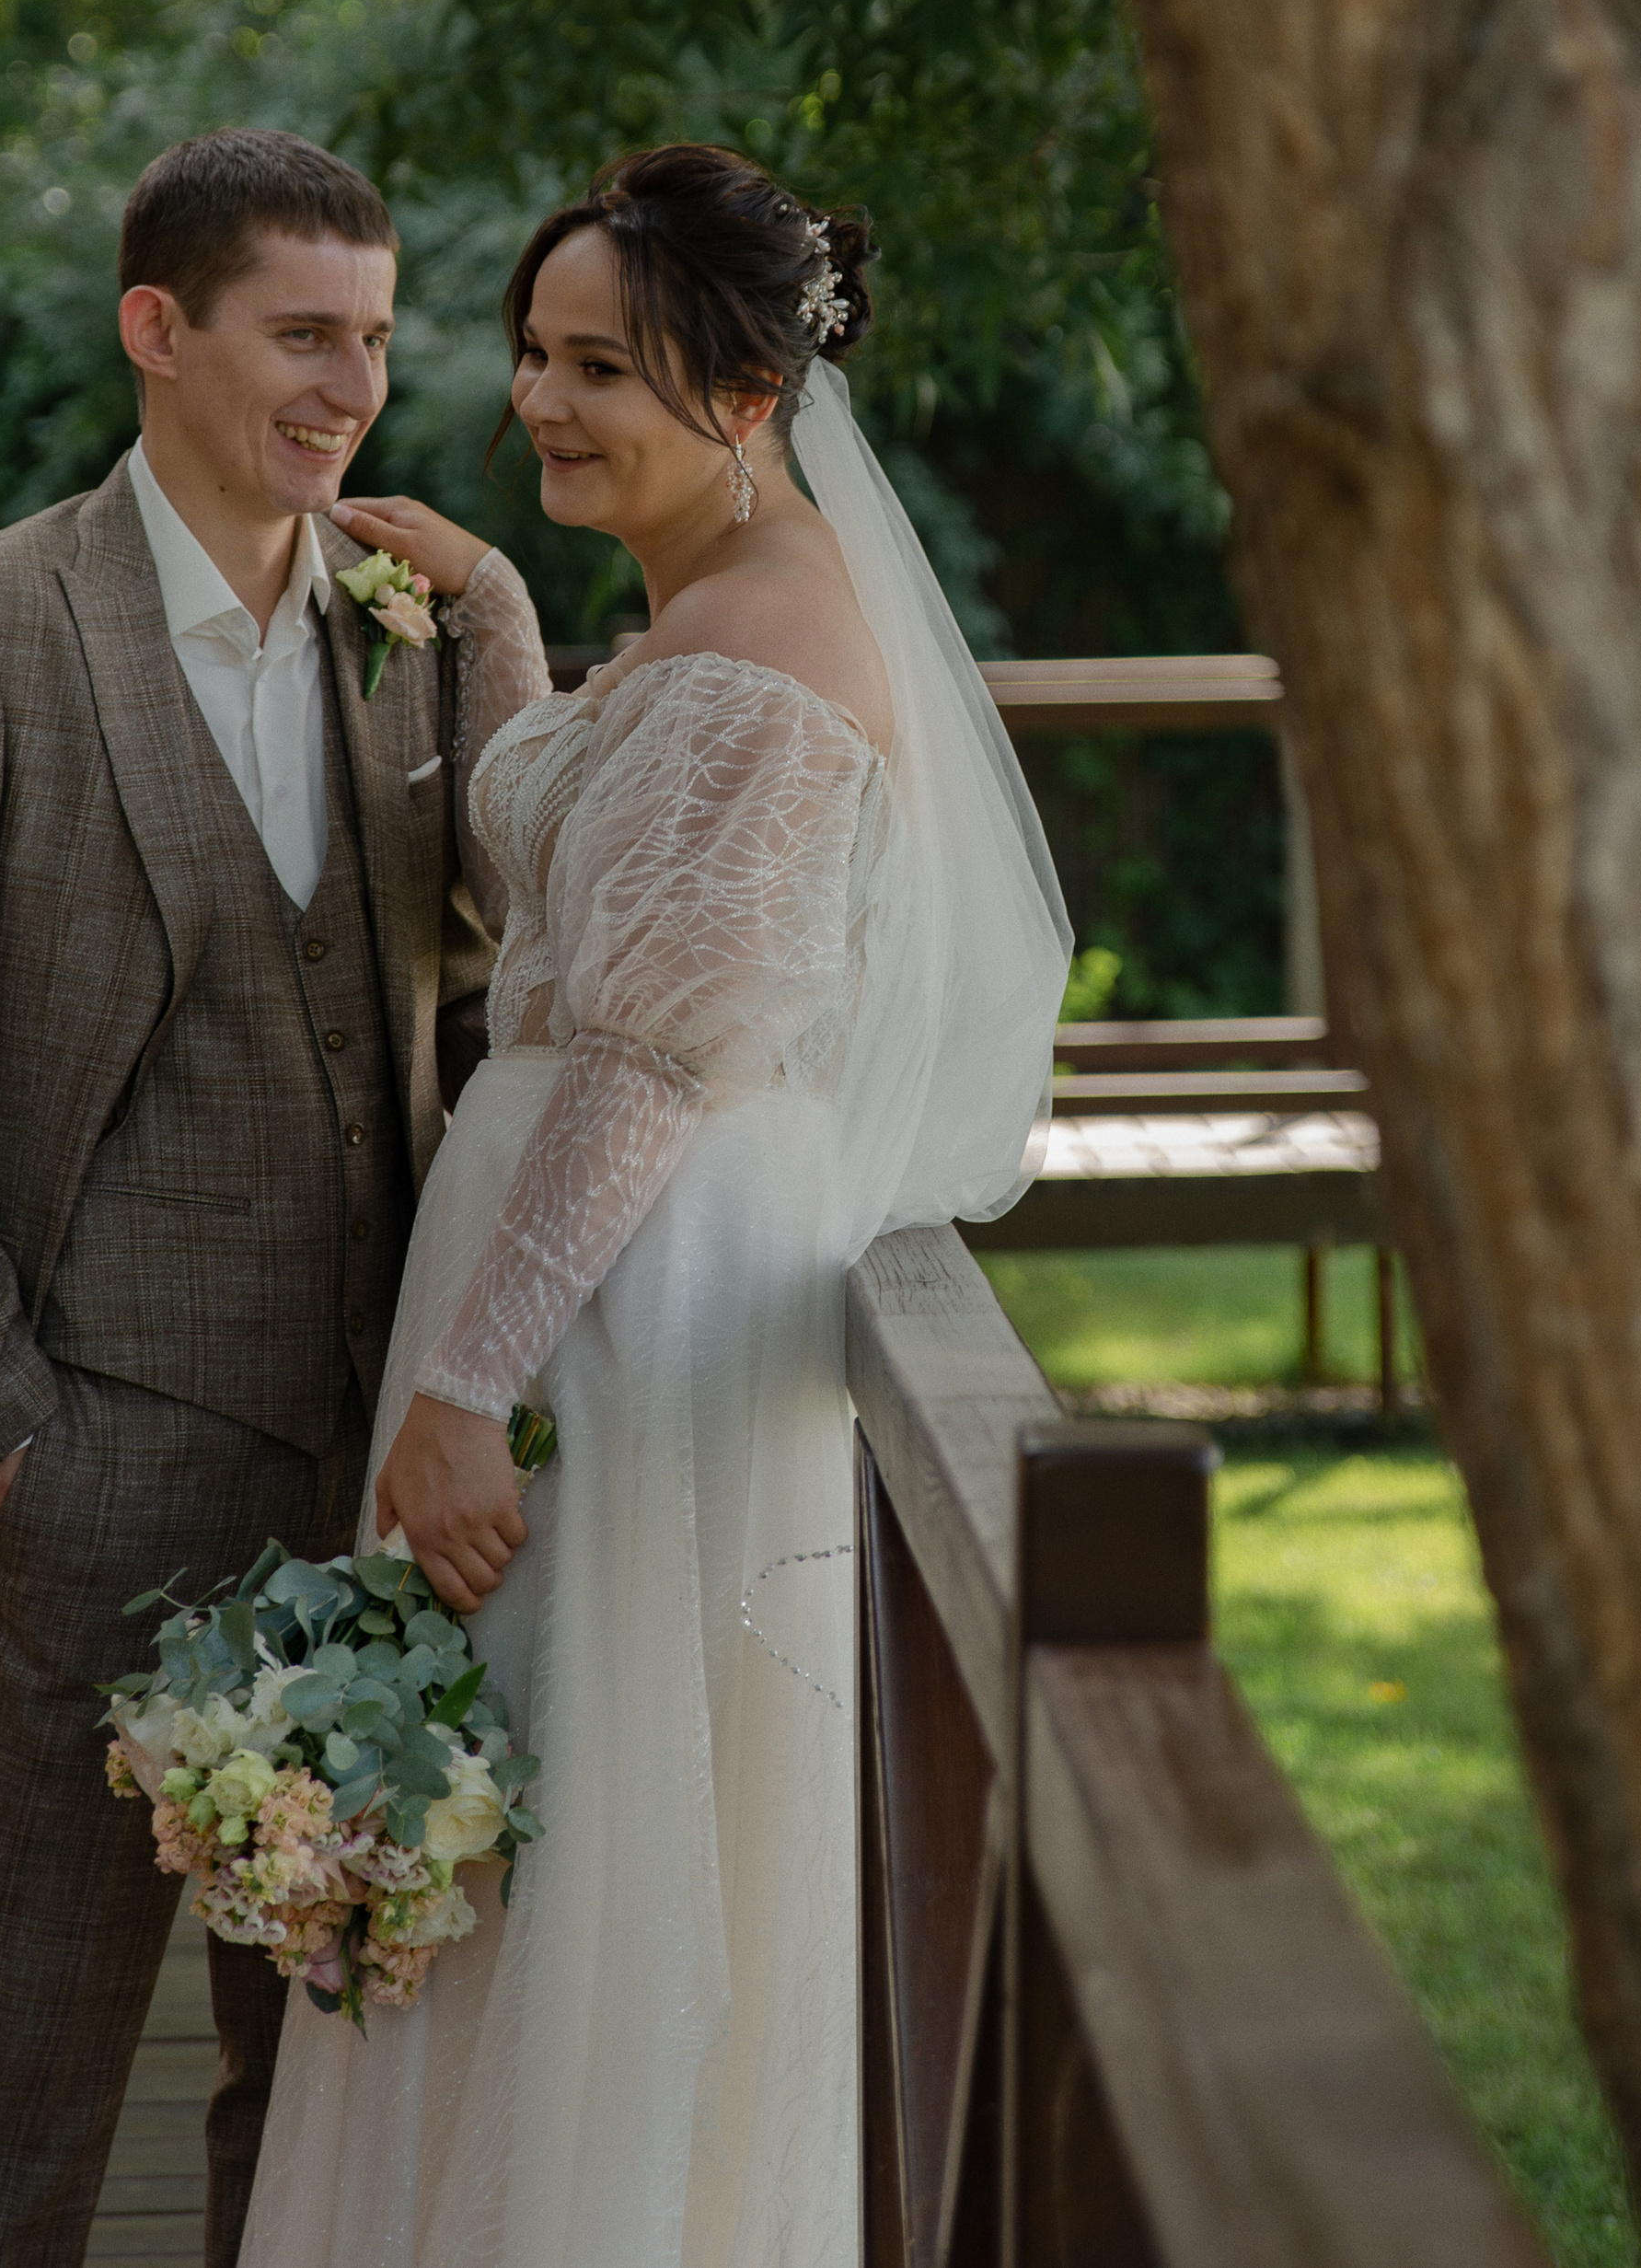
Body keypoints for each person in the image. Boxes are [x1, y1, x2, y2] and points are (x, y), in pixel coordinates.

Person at [241, 140, 1071, 2268]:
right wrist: (512, 627)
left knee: (569, 1856)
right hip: (585, 1275)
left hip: (603, 1312)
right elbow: (587, 889)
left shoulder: (758, 657)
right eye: (529, 353)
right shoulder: (708, 617)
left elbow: (639, 1066)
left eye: (602, 365)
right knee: (527, 1843)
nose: (539, 400)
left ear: (746, 391)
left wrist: (461, 1390)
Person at [0, 126, 499, 2268]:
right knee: (21, 2048)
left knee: (324, 2066)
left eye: (370, 337)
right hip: (83, 1464)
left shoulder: (408, 625)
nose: (349, 385)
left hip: (368, 1475)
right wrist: (5, 1423)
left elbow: (508, 944)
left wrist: (512, 617)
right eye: (300, 333)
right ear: (155, 332)